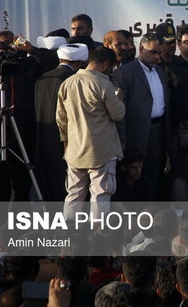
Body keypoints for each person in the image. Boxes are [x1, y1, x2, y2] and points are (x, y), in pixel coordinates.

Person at [0, 30, 58, 201]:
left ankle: (18, 218)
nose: (5, 49)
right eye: (1, 45)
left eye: (9, 44)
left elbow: (53, 63)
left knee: (22, 188)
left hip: (24, 137)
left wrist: (31, 49)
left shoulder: (28, 65)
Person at [56, 47, 125, 216]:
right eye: (111, 67)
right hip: (101, 151)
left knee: (73, 194)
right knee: (100, 195)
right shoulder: (104, 84)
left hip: (74, 150)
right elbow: (117, 114)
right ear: (106, 65)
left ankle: (69, 229)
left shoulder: (67, 83)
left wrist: (66, 143)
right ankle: (98, 231)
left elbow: (61, 119)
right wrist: (120, 101)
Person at [112, 32, 170, 201]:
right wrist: (122, 140)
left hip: (158, 131)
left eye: (159, 53)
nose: (157, 57)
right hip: (135, 134)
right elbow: (119, 110)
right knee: (133, 178)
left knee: (155, 175)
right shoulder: (124, 73)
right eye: (153, 52)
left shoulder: (161, 72)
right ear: (141, 49)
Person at [34, 43, 88, 201]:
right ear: (79, 63)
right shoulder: (74, 80)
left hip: (43, 139)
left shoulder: (43, 78)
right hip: (67, 139)